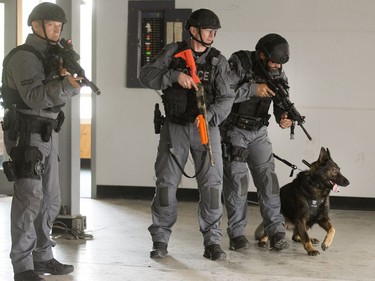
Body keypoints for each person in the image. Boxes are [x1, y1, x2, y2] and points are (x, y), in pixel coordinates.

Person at [139, 9, 235, 261]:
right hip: (175, 129)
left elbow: (227, 97)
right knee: (166, 185)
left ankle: (212, 242)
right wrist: (173, 76)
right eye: (208, 30)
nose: (212, 35)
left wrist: (210, 116)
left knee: (212, 187)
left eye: (215, 31)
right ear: (193, 30)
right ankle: (160, 239)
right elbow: (145, 75)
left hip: (206, 129)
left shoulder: (218, 61)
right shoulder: (172, 52)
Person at [1, 3, 81, 281]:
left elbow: (55, 97)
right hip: (27, 133)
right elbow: (35, 97)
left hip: (47, 132)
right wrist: (66, 87)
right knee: (29, 199)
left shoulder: (53, 56)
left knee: (50, 199)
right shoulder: (25, 57)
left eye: (60, 26)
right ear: (36, 26)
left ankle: (43, 257)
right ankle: (22, 267)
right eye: (51, 25)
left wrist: (65, 83)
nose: (57, 30)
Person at [221, 33, 293, 252]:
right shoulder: (240, 63)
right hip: (235, 131)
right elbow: (222, 92)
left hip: (259, 132)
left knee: (269, 183)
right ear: (261, 55)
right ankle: (237, 234)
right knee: (238, 185)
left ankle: (276, 232)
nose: (276, 66)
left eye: (280, 63)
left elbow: (282, 97)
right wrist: (253, 89)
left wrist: (283, 116)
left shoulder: (278, 70)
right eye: (273, 61)